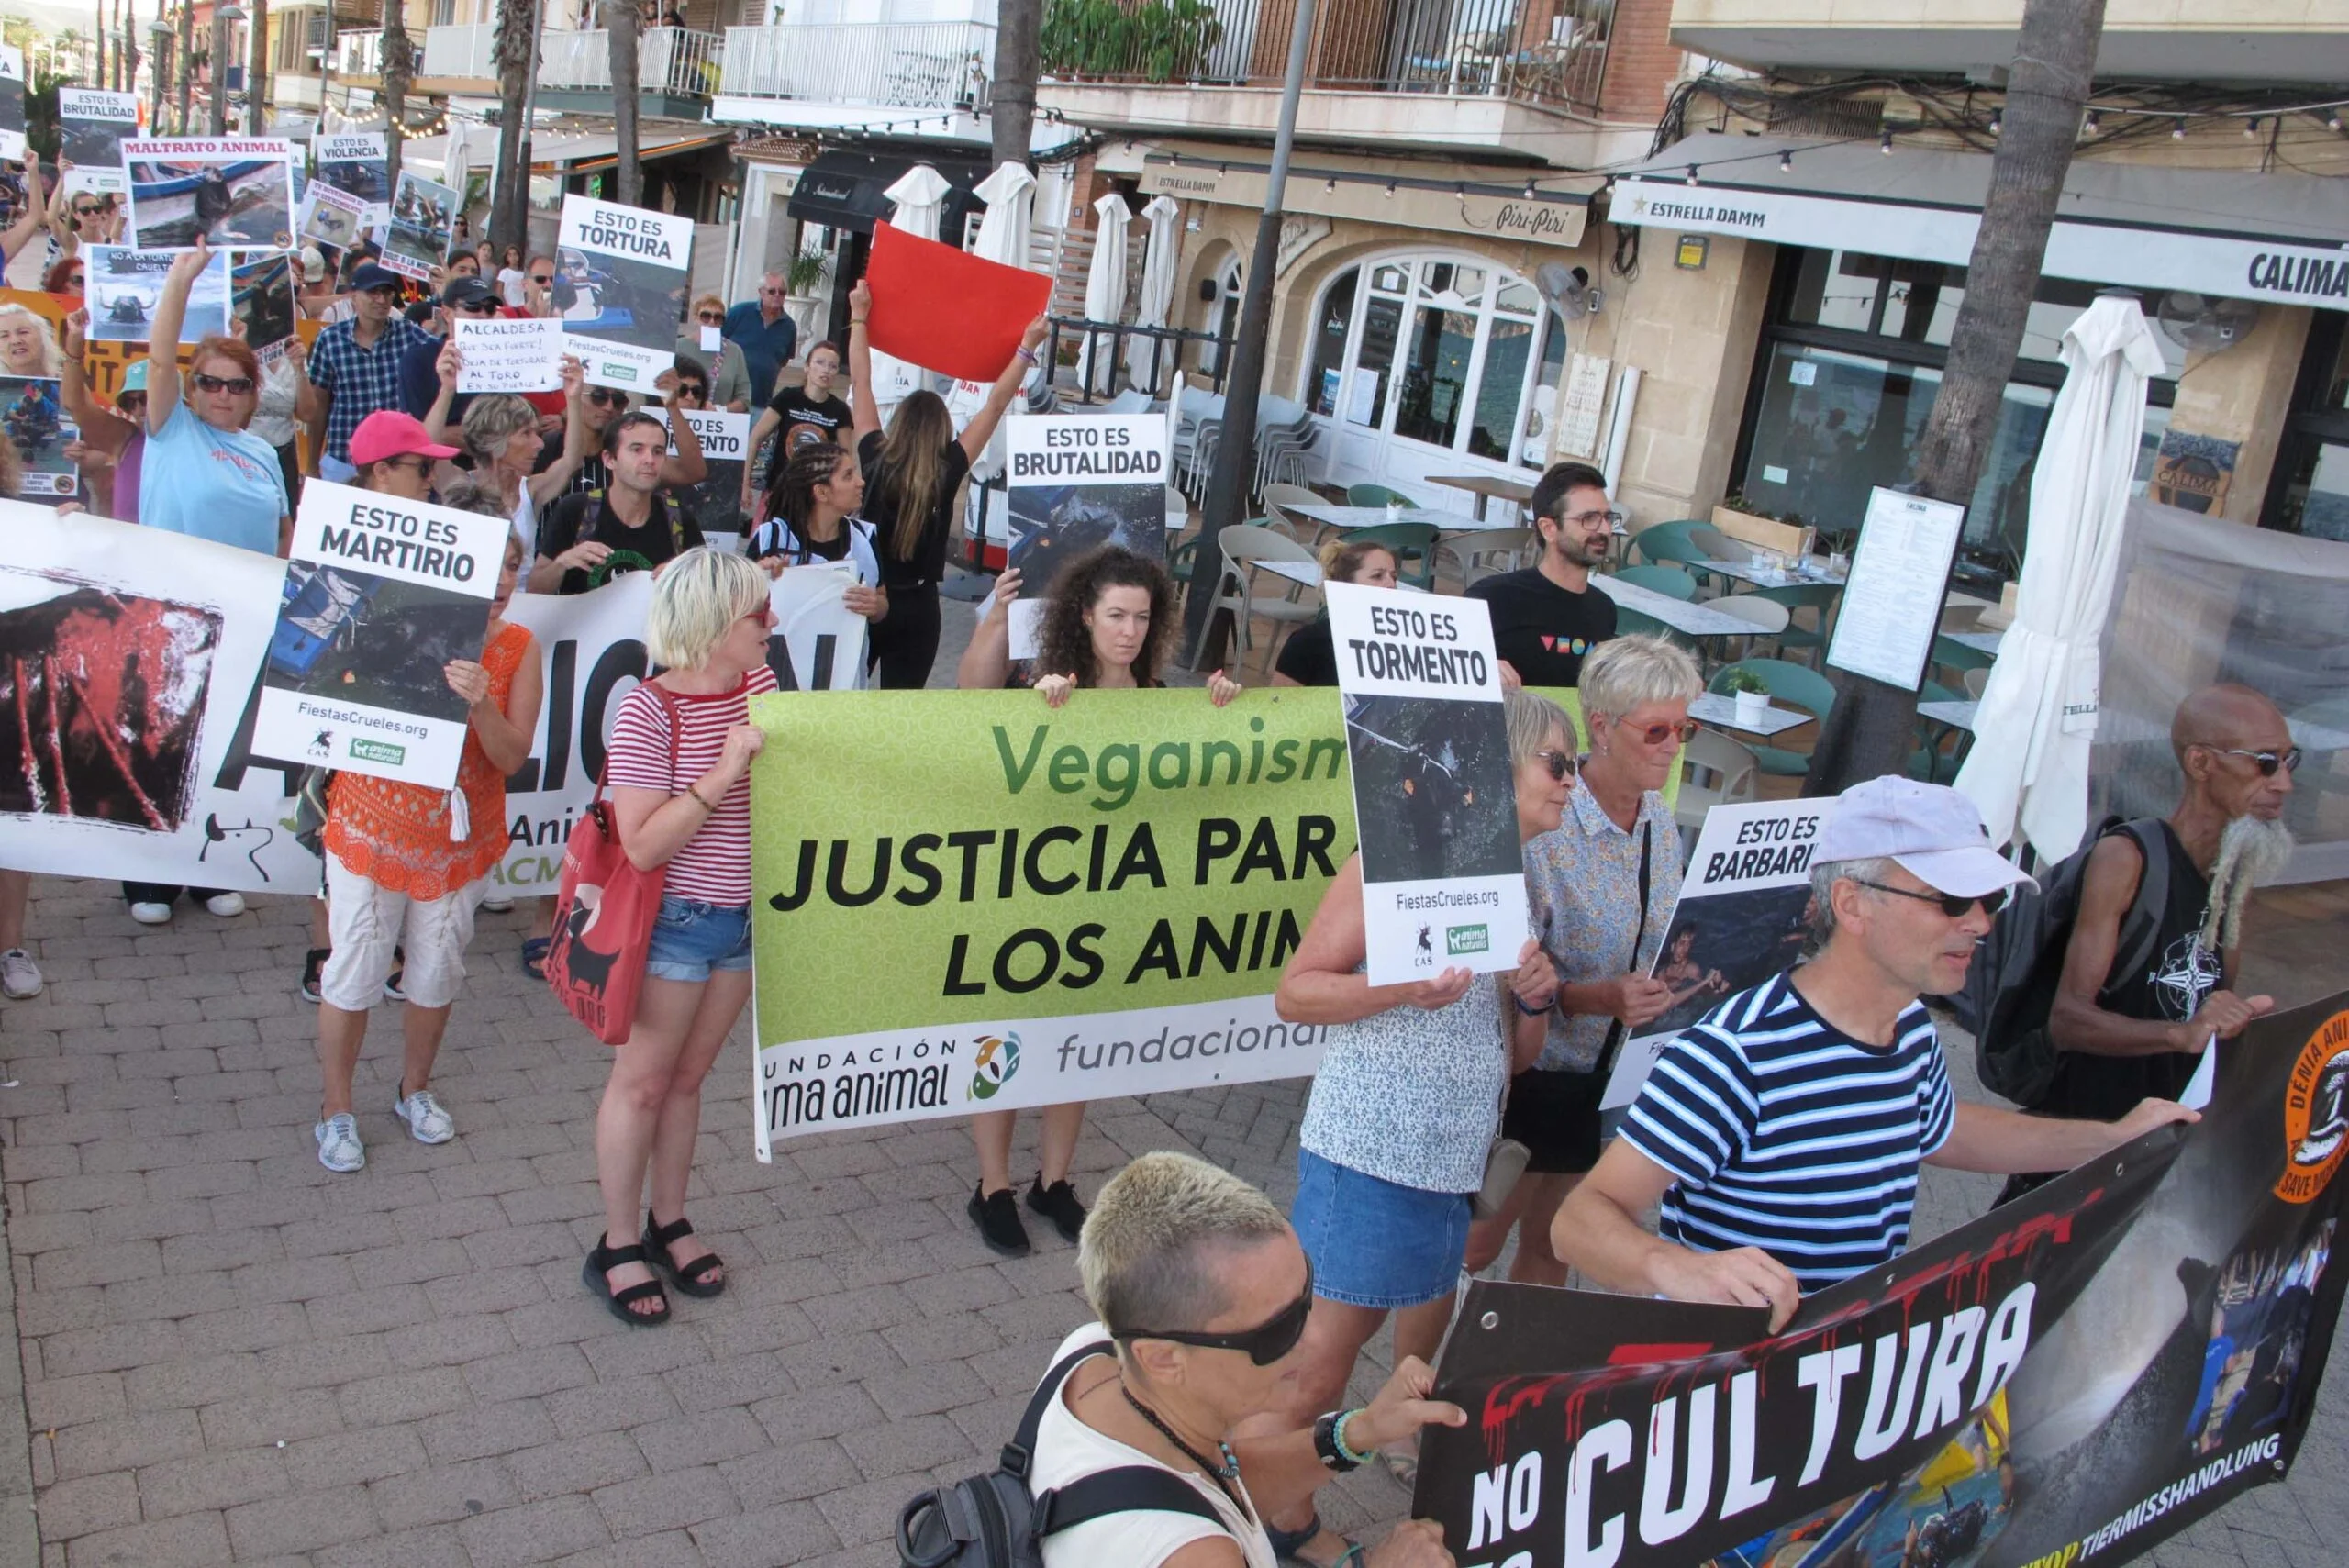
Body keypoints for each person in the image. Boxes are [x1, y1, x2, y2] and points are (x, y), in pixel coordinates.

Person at [1553, 776, 2202, 1329]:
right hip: (1730, 1389)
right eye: (1952, 899)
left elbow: (1941, 1129)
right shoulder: (1734, 1055)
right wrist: (1680, 1267)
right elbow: (1579, 1220)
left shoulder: (1911, 1025)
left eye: (1990, 898)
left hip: (1844, 1375)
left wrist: (2116, 1139)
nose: (1980, 921)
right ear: (1852, 903)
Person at [953, 549, 1241, 1253]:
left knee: (1078, 1045)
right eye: (1116, 614)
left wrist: (1223, 714)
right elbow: (964, 698)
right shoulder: (1045, 684)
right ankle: (992, 1187)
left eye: (1143, 617)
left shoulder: (1160, 699)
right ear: (1084, 614)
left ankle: (1054, 1181)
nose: (1130, 630)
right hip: (1028, 899)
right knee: (1006, 1038)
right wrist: (1033, 695)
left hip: (1108, 903)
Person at [1026, 1151, 1460, 1568]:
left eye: (1307, 1294)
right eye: (1277, 1329)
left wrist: (1358, 1432)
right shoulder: (1194, 1554)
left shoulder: (1089, 1355)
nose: (1312, 1338)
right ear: (1162, 1358)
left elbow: (1217, 1484)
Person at [1464, 636, 1698, 1291]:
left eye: (1684, 727)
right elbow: (1512, 983)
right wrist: (1599, 998)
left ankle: (1513, 1381)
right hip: (1536, 1078)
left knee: (1554, 1243)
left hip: (1611, 1081)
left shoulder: (1658, 819)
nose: (1672, 744)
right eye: (1656, 729)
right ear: (1601, 723)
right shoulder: (1550, 822)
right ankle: (1436, 1360)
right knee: (1475, 1245)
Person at [2000, 684, 2295, 1200]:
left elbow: (2203, 1007)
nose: (2285, 783)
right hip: (2085, 1138)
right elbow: (2069, 1020)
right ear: (2201, 763)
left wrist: (2242, 1027)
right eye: (2265, 762)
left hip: (2166, 1139)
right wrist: (2178, 1035)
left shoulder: (2233, 871)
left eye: (2292, 761)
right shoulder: (2128, 858)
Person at [584, 549, 779, 1325]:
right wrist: (724, 771)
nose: (770, 626)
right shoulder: (647, 708)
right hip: (676, 921)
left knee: (689, 1080)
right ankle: (619, 1240)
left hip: (740, 919)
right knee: (642, 1082)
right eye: (755, 616)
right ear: (711, 627)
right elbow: (641, 845)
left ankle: (671, 1218)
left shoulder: (758, 684)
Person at [312, 513, 541, 1173]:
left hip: (457, 835)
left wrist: (481, 704)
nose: (501, 580)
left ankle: (414, 1089)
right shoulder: (396, 617)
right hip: (373, 822)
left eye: (511, 565)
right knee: (354, 966)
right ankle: (335, 1110)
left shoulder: (518, 646)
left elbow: (511, 757)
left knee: (437, 968)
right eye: (489, 564)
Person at [848, 278, 1045, 688]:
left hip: (868, 595)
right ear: (942, 429)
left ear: (898, 421)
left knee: (852, 701)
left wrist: (859, 317)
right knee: (904, 710)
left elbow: (861, 382)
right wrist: (1026, 348)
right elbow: (995, 404)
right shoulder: (948, 467)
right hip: (919, 605)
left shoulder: (874, 456)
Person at [139, 240, 291, 557]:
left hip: (247, 600)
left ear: (252, 395)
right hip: (174, 595)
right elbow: (160, 362)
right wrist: (181, 279)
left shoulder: (264, 452)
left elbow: (283, 535)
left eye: (237, 385)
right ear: (191, 389)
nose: (223, 394)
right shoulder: (173, 428)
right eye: (210, 383)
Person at [1466, 460, 1620, 689]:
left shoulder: (1604, 609)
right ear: (1549, 529)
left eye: (1607, 518)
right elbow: (1445, 666)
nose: (1605, 530)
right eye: (1589, 519)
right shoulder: (1493, 598)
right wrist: (1483, 667)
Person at [531, 410, 707, 595]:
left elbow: (709, 592)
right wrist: (563, 562)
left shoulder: (677, 517)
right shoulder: (576, 510)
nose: (649, 460)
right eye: (637, 449)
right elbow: (535, 588)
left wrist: (684, 576)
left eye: (658, 451)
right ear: (609, 459)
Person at [440, 368, 591, 562]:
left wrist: (573, 399)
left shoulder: (530, 490)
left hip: (523, 593)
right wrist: (447, 390)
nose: (540, 444)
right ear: (495, 439)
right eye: (526, 433)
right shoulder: (459, 484)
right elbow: (428, 448)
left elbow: (572, 461)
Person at [302, 260, 431, 482]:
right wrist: (312, 465)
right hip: (344, 459)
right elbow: (319, 404)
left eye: (388, 293)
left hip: (395, 461)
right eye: (373, 293)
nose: (381, 300)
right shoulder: (330, 339)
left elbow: (442, 354)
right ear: (354, 296)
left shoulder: (410, 335)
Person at [746, 442, 887, 640]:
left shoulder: (864, 537)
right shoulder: (772, 537)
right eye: (848, 476)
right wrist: (758, 579)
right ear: (821, 492)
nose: (860, 482)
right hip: (780, 665)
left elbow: (881, 602)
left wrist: (876, 606)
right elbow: (738, 610)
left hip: (843, 668)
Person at [1270, 540, 1399, 687]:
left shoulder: (1404, 641)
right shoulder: (1307, 643)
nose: (1391, 584)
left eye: (1394, 577)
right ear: (1347, 585)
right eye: (1377, 576)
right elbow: (1278, 704)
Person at [741, 338, 849, 511]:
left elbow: (845, 457)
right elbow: (755, 437)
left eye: (833, 366)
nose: (826, 370)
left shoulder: (840, 410)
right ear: (807, 367)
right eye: (820, 363)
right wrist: (745, 482)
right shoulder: (788, 398)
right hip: (779, 489)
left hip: (815, 496)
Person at [398, 274, 505, 422]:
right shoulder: (417, 361)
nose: (484, 315)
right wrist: (447, 390)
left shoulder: (504, 359)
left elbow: (516, 425)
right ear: (447, 313)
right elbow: (420, 437)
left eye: (490, 309)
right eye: (473, 306)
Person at [722, 271, 799, 406]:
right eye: (771, 291)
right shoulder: (739, 313)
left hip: (761, 400)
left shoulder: (789, 326)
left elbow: (784, 360)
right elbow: (718, 343)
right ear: (761, 292)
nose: (777, 295)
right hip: (728, 399)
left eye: (782, 292)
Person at [676, 294, 751, 410]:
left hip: (716, 423)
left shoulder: (734, 351)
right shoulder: (678, 346)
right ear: (696, 318)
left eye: (718, 318)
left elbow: (745, 399)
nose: (712, 322)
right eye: (706, 316)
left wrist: (719, 409)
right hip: (679, 416)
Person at [0, 303, 62, 379]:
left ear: (43, 337)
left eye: (23, 332)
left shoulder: (68, 383)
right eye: (4, 335)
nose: (15, 341)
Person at [495, 243, 529, 309]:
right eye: (510, 255)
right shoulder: (504, 272)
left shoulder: (523, 274)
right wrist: (506, 306)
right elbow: (499, 292)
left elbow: (527, 292)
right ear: (507, 258)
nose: (513, 257)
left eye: (515, 254)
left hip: (522, 306)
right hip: (508, 307)